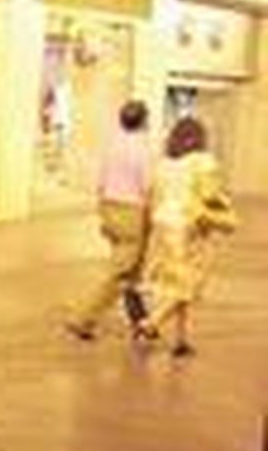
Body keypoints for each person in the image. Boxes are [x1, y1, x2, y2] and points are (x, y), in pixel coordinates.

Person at [134, 116, 238, 357]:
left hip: (163, 226)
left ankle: (181, 340)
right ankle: (149, 324)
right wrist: (224, 205)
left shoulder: (164, 164)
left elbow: (154, 197)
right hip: (188, 228)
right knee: (189, 285)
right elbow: (211, 194)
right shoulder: (204, 161)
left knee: (178, 283)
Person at [65, 100, 154, 340]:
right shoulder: (143, 149)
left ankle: (141, 321)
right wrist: (150, 218)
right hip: (131, 212)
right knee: (120, 272)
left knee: (131, 271)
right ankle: (82, 319)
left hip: (109, 207)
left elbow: (101, 182)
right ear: (144, 121)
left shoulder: (112, 145)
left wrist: (103, 212)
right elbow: (147, 187)